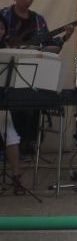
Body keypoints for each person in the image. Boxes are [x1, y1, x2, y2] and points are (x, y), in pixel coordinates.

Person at [0, 0, 73, 49]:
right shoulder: (3, 14)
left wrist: (66, 37)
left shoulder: (38, 19)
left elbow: (48, 44)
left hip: (30, 57)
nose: (28, 1)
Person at [0, 15, 25, 195]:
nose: (0, 31)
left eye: (2, 28)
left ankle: (16, 178)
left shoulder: (5, 49)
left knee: (10, 133)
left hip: (1, 100)